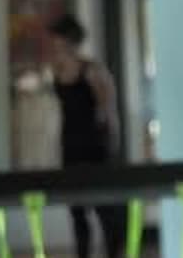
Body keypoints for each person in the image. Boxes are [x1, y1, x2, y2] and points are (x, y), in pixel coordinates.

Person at [45, 15, 127, 258]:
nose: (55, 43)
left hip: (94, 145)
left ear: (70, 39)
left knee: (103, 208)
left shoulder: (92, 69)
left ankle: (114, 253)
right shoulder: (56, 69)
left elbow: (108, 109)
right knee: (76, 209)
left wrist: (112, 145)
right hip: (70, 143)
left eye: (59, 38)